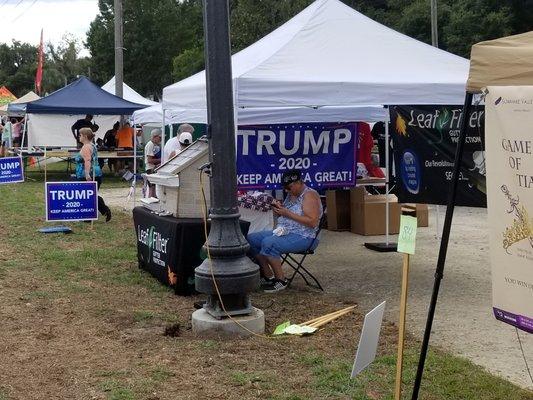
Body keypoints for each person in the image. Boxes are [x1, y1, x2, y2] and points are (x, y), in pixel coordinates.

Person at [247, 170, 323, 293]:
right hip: (284, 231)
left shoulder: (309, 195)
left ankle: (281, 281)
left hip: (305, 236)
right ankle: (269, 276)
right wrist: (279, 208)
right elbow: (287, 214)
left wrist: (287, 213)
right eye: (284, 188)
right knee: (252, 239)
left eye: (289, 187)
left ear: (298, 182)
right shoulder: (292, 194)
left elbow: (312, 222)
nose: (287, 191)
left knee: (269, 243)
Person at [74, 127, 112, 222]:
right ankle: (102, 211)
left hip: (87, 174)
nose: (79, 137)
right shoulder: (92, 145)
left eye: (80, 135)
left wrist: (87, 174)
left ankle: (92, 215)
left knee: (87, 195)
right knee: (91, 194)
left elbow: (87, 160)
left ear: (85, 136)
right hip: (96, 173)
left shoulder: (86, 147)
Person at [144, 129, 162, 197]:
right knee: (152, 188)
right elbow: (149, 160)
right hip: (150, 169)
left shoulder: (154, 145)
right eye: (159, 137)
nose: (160, 139)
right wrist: (161, 160)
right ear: (155, 136)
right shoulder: (150, 145)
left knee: (153, 188)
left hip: (153, 168)